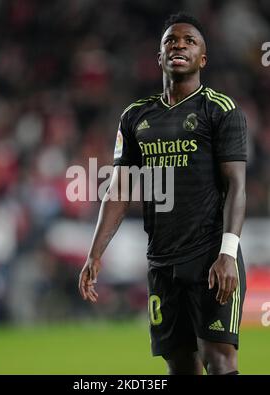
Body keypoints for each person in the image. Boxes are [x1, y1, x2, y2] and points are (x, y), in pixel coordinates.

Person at [78, 13, 247, 375]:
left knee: (219, 360)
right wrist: (94, 255)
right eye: (171, 41)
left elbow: (237, 184)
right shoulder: (136, 117)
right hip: (161, 262)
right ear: (159, 58)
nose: (179, 45)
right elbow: (119, 190)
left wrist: (228, 253)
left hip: (211, 258)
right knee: (180, 366)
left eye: (190, 41)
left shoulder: (220, 110)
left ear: (203, 59)